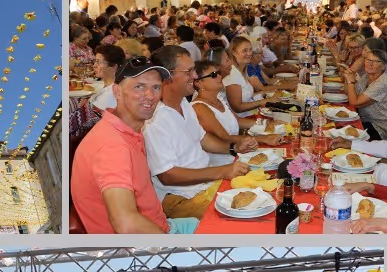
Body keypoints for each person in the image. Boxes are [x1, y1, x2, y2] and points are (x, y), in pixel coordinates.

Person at [71, 56, 200, 234]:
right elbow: (126, 224)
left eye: (155, 87)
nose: (150, 96)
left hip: (163, 225)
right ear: (116, 91)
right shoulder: (112, 145)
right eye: (139, 86)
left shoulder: (126, 131)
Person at [144, 46, 252, 219]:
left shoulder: (184, 104)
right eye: (189, 71)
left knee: (257, 192)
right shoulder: (154, 120)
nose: (194, 76)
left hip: (204, 185)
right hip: (180, 198)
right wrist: (222, 171)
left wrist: (234, 147)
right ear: (166, 77)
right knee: (244, 214)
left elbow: (203, 139)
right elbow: (167, 175)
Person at [191, 60, 283, 166]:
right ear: (198, 82)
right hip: (220, 163)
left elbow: (237, 121)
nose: (220, 77)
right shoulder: (199, 107)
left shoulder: (218, 98)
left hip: (237, 153)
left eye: (219, 73)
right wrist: (262, 139)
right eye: (214, 75)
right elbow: (224, 137)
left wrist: (266, 123)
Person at [342, 49, 387, 141]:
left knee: (346, 135)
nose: (370, 64)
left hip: (382, 128)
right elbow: (349, 94)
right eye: (368, 60)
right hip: (366, 122)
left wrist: (350, 81)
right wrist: (349, 75)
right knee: (341, 127)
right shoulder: (366, 77)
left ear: (384, 66)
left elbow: (354, 102)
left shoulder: (383, 82)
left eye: (375, 61)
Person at [223, 36, 278, 117]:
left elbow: (248, 96)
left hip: (254, 114)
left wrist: (266, 93)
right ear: (234, 53)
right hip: (244, 120)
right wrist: (266, 100)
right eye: (244, 50)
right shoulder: (232, 74)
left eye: (250, 49)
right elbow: (237, 107)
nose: (249, 53)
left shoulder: (243, 69)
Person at [90, 45, 124, 111]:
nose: (94, 66)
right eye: (95, 61)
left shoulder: (112, 93)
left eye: (98, 62)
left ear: (114, 67)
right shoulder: (107, 86)